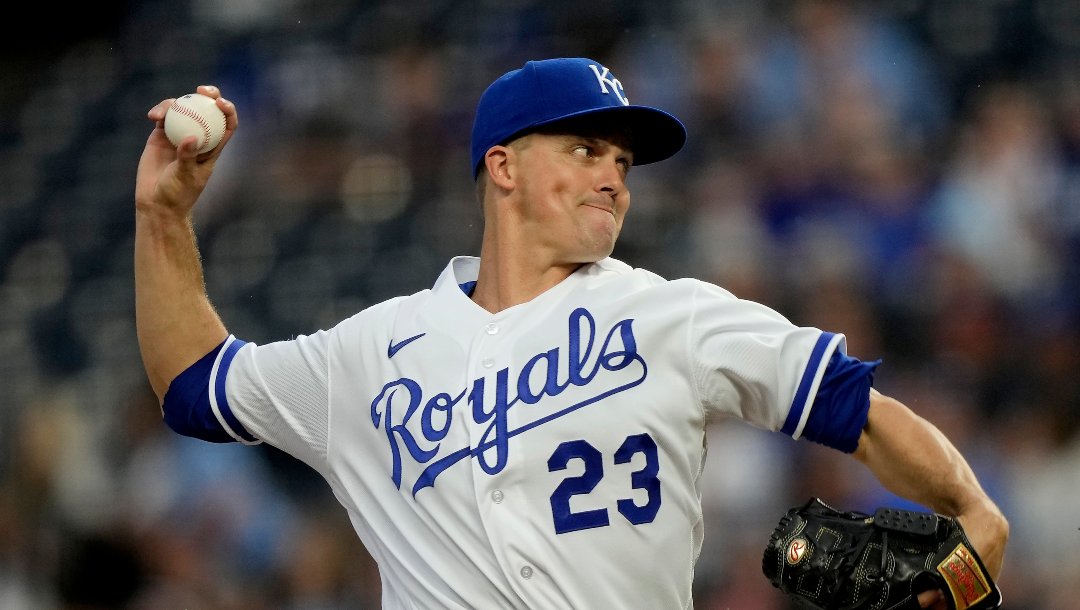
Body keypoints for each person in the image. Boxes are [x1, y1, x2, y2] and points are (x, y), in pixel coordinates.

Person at [134, 57, 1007, 609]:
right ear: (503, 167)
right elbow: (192, 383)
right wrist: (162, 217)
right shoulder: (368, 353)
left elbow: (852, 402)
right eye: (586, 150)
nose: (614, 180)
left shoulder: (672, 315)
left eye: (622, 163)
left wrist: (972, 511)